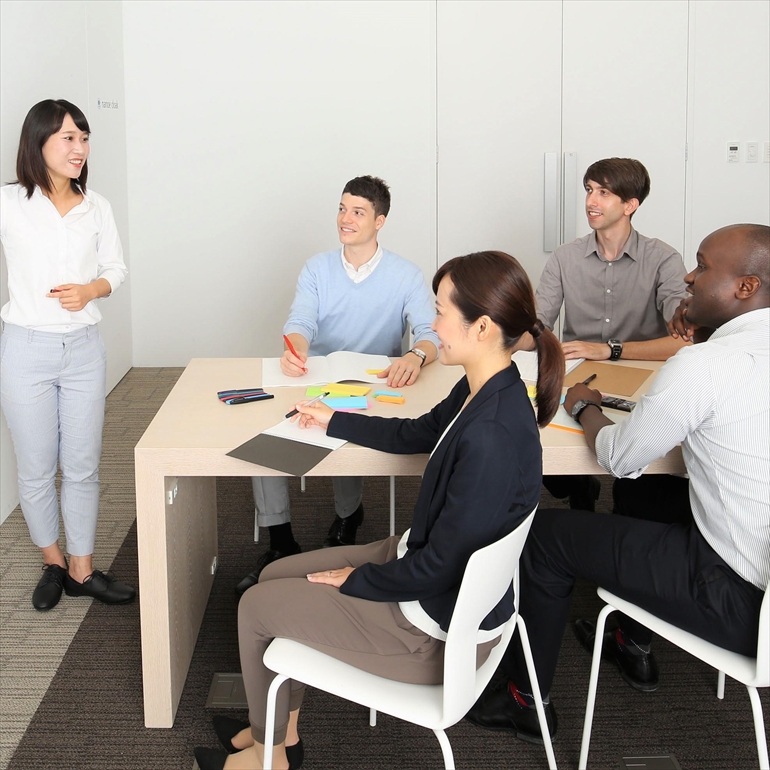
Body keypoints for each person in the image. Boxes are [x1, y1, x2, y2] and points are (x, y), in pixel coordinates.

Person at [193, 250, 565, 770]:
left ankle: (268, 756)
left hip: (429, 630)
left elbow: (438, 567)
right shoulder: (488, 385)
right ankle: (283, 733)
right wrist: (332, 419)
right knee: (275, 574)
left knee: (256, 608)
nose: (431, 326)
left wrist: (358, 578)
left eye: (440, 312)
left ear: (481, 326)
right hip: (425, 577)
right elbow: (415, 432)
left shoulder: (493, 438)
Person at [466, 224, 769, 743]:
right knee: (652, 492)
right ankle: (630, 637)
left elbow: (621, 456)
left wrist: (582, 405)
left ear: (745, 287)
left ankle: (525, 699)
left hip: (741, 602)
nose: (690, 278)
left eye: (703, 266)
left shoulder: (704, 365)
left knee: (543, 539)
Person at [237, 175, 440, 594]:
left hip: (374, 385)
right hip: (318, 379)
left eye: (358, 212)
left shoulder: (405, 274)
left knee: (343, 425)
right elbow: (302, 320)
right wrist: (295, 348)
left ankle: (348, 516)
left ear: (379, 221)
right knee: (266, 434)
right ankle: (280, 539)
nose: (346, 219)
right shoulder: (317, 268)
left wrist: (415, 355)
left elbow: (428, 332)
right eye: (343, 208)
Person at [0, 99, 135, 610]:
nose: (80, 148)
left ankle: (82, 568)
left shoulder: (96, 206)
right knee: (35, 468)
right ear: (38, 143)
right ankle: (52, 562)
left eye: (84, 137)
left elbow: (116, 268)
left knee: (81, 465)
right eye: (68, 138)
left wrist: (91, 289)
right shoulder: (10, 202)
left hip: (82, 351)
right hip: (24, 351)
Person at [535, 157, 690, 510]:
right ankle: (578, 487)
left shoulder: (663, 259)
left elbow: (684, 341)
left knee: (637, 487)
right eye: (590, 190)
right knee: (534, 435)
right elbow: (538, 324)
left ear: (630, 205)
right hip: (575, 376)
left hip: (642, 381)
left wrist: (610, 350)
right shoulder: (564, 257)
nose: (592, 201)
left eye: (604, 193)